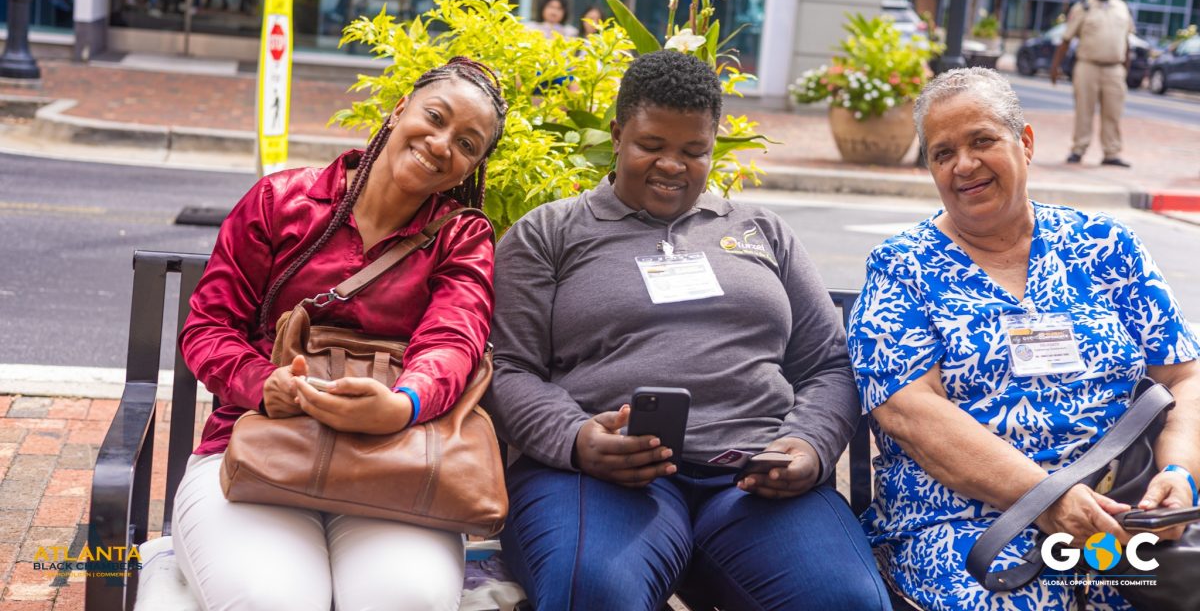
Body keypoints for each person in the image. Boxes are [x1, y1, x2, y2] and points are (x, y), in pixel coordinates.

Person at [487, 49, 890, 611]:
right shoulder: (549, 234)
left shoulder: (763, 232)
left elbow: (826, 363)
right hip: (603, 478)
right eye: (651, 145)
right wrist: (576, 438)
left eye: (693, 151)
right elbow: (508, 367)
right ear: (617, 135)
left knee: (845, 602)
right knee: (593, 594)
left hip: (753, 477)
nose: (672, 165)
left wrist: (808, 445)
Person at [848, 67, 1200, 611]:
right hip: (971, 526)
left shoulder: (1104, 244)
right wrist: (1047, 498)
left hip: (1121, 517)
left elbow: (1184, 375)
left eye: (982, 140)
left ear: (1026, 143)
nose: (964, 164)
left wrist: (1179, 474)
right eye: (943, 153)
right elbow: (910, 413)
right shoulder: (902, 267)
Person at [174, 57, 509, 610]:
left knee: (408, 599)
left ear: (469, 169)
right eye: (435, 117)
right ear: (399, 109)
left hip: (398, 457)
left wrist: (403, 404)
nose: (442, 143)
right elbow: (210, 327)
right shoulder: (280, 201)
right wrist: (265, 384)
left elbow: (454, 340)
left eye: (467, 144)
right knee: (269, 599)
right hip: (258, 445)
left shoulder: (461, 237)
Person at [1050, 0, 1136, 167]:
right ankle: (1078, 149)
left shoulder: (1121, 7)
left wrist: (1126, 68)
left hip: (1114, 68)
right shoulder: (1083, 8)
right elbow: (1066, 40)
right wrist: (1055, 67)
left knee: (1113, 112)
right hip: (1087, 66)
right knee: (1084, 110)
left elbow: (1126, 40)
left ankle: (1111, 153)